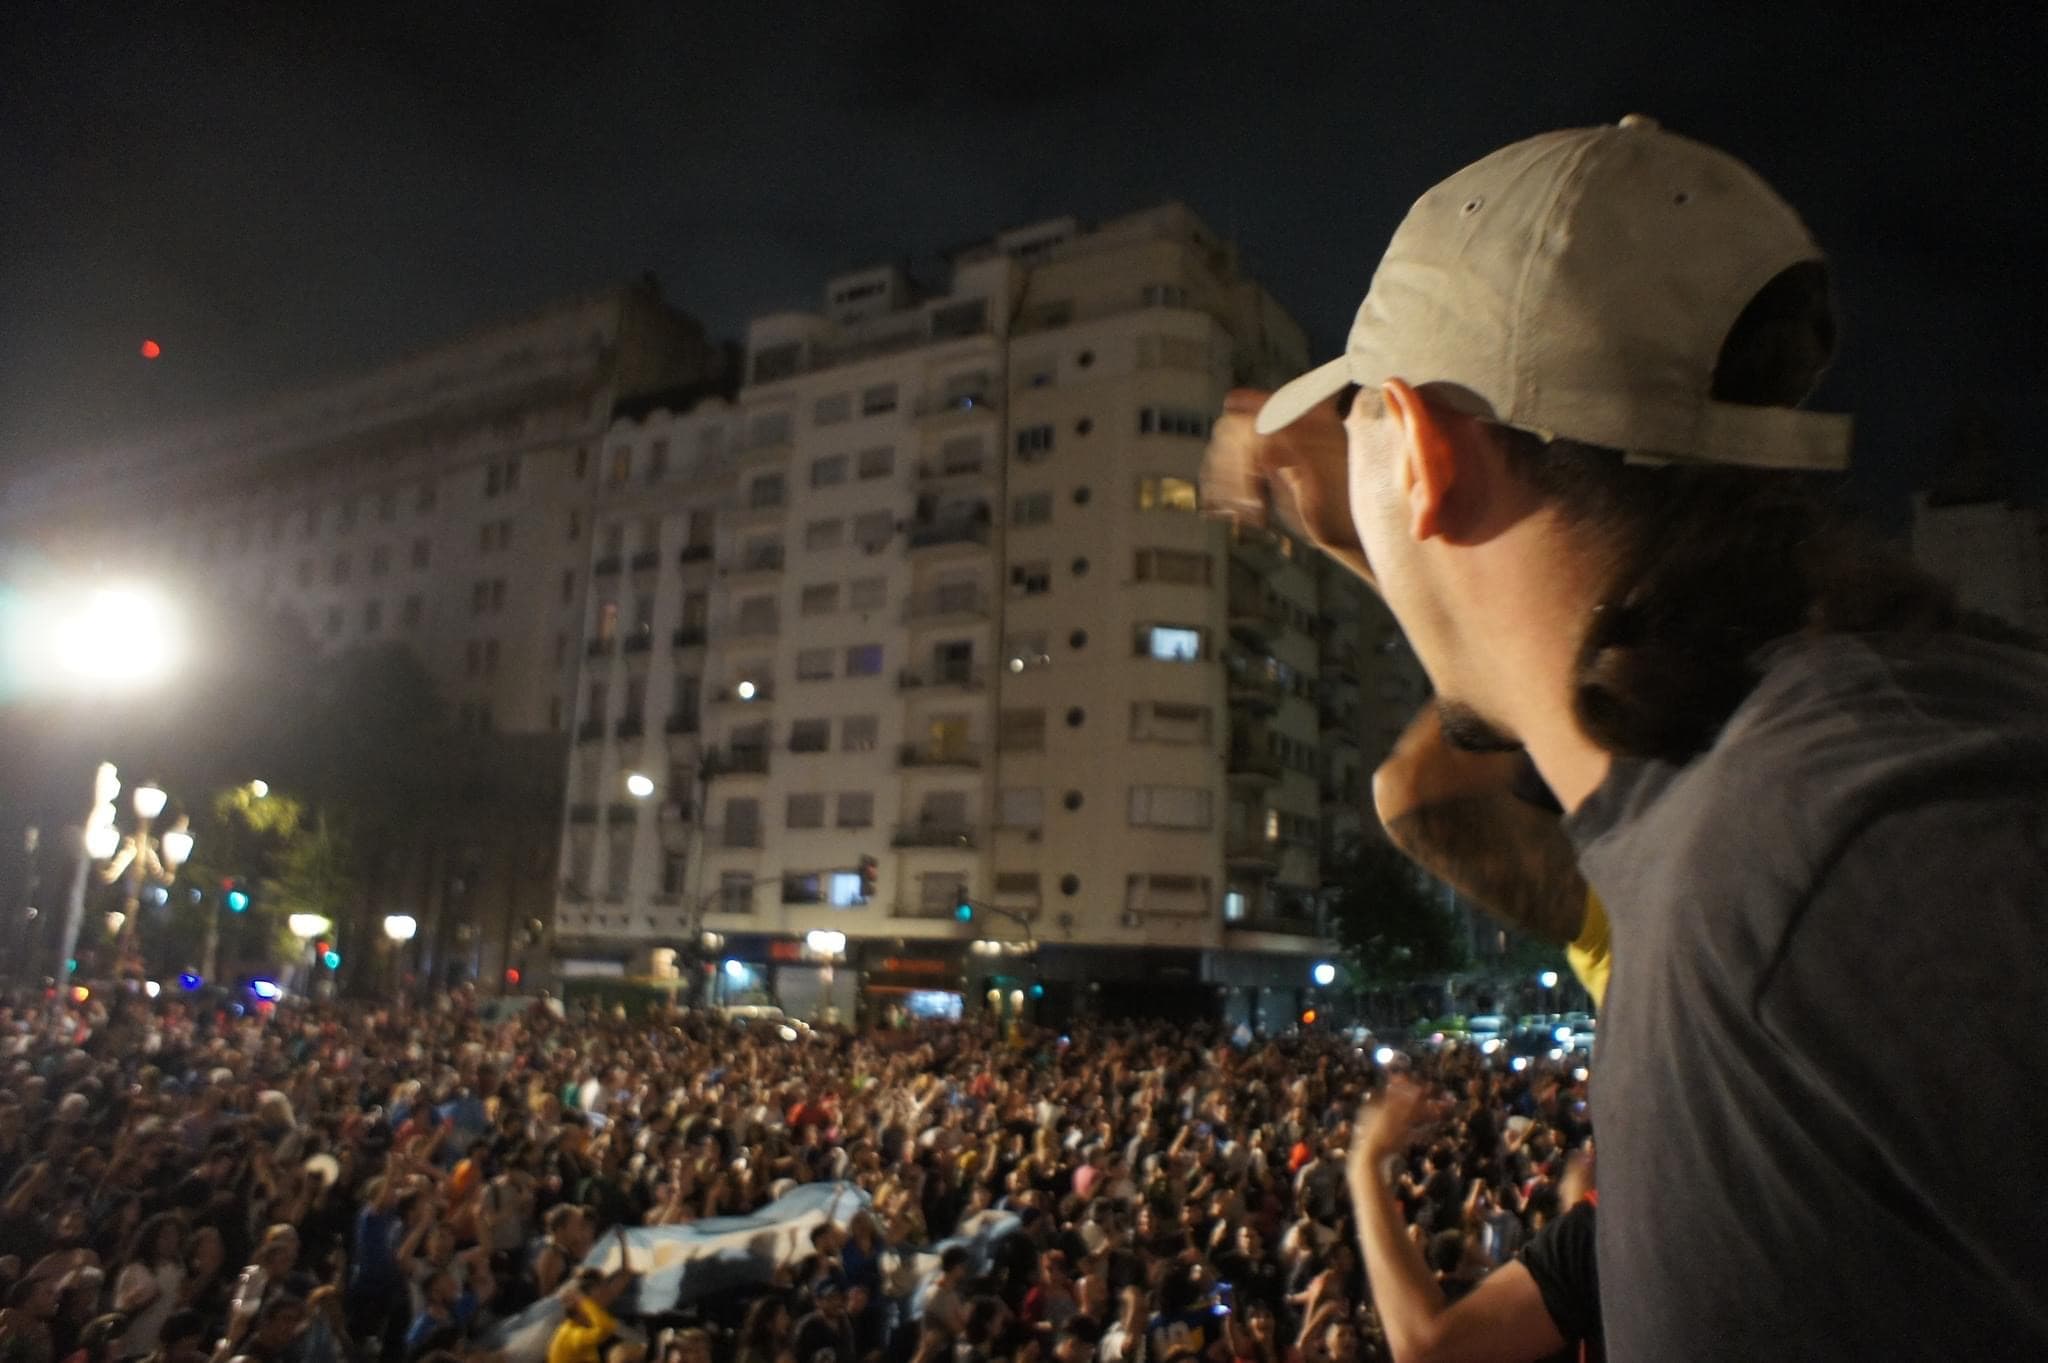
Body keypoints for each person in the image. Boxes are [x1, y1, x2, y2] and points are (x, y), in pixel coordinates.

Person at [1205, 115, 2048, 1359]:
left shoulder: (1849, 848)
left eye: (1365, 433)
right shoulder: (1745, 788)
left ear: (1424, 454)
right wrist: (1346, 529)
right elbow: (1490, 645)